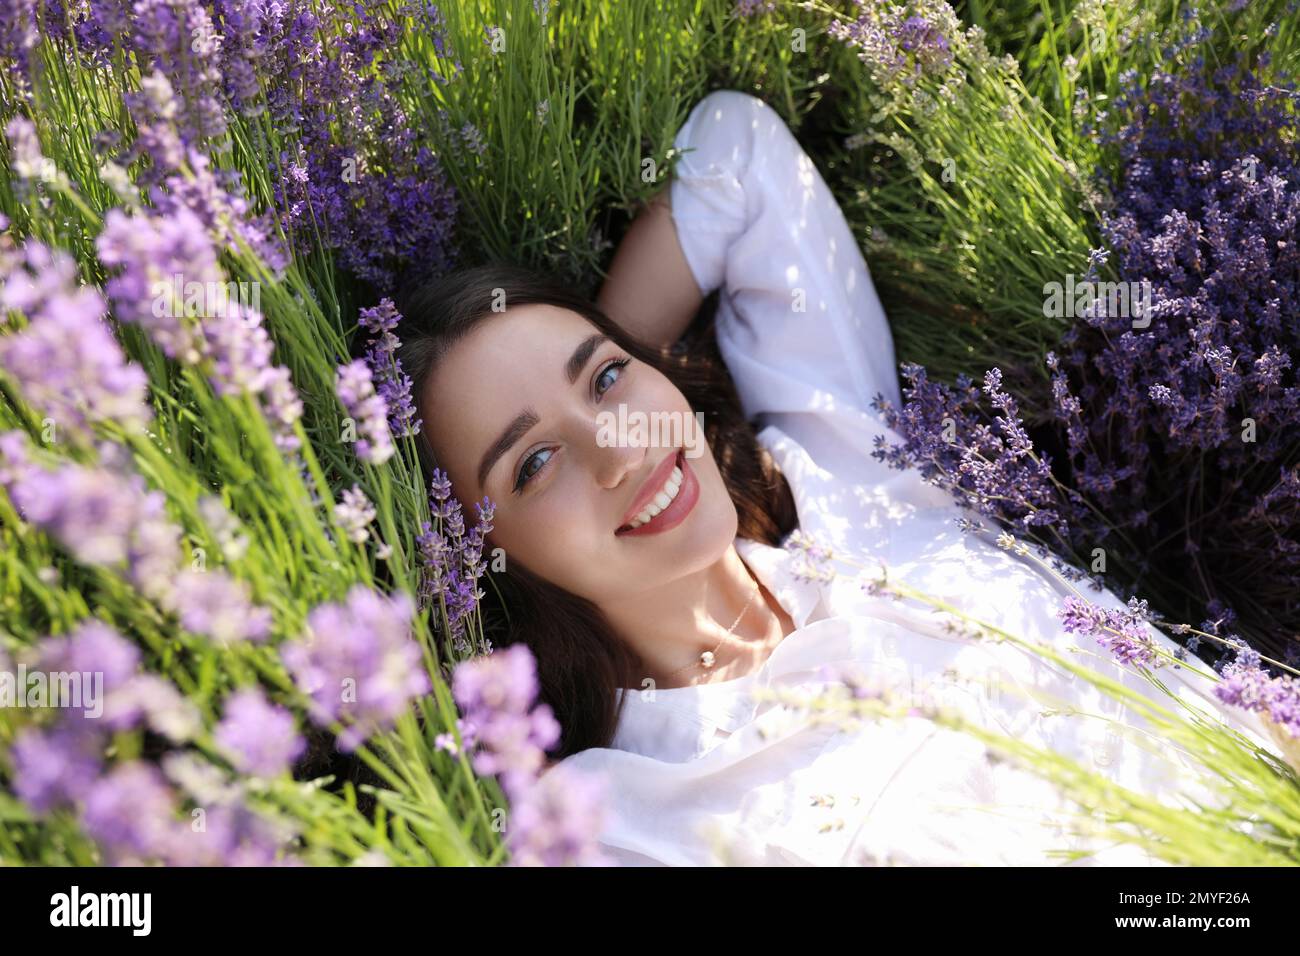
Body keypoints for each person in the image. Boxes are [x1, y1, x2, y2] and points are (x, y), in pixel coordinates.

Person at [395, 90, 1284, 866]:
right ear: (482, 555)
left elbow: (737, 157)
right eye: (535, 464)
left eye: (608, 377)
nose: (621, 448)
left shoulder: (851, 474)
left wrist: (609, 362)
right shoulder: (615, 821)